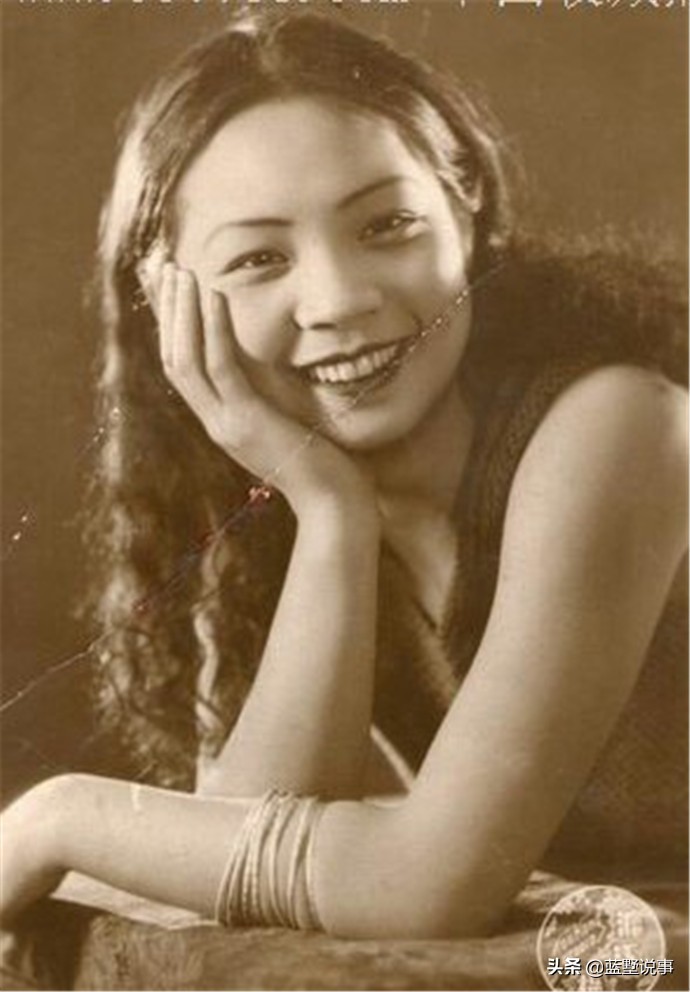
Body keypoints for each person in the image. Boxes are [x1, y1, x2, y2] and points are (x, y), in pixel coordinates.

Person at [1, 11, 687, 940]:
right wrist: (330, 513)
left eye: (387, 225)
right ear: (169, 300)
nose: (339, 300)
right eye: (260, 259)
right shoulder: (284, 491)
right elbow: (239, 875)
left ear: (467, 205)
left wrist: (55, 820)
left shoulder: (618, 427)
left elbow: (424, 891)